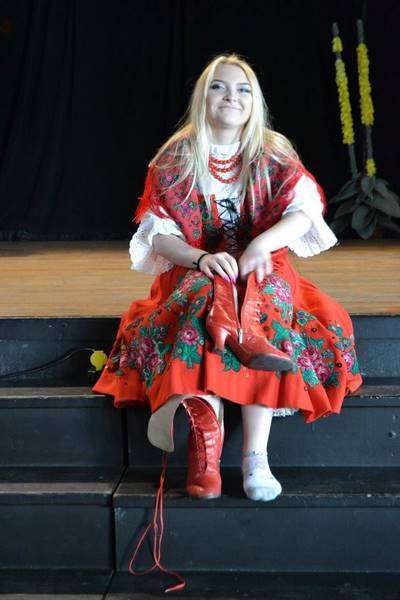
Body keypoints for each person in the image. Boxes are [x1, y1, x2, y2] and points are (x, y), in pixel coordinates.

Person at [92, 53, 362, 505]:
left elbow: (304, 212)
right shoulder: (176, 157)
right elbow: (160, 235)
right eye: (219, 86)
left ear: (255, 102)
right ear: (203, 97)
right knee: (205, 304)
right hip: (197, 265)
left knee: (263, 303)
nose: (231, 96)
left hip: (264, 265)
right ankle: (207, 455)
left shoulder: (273, 152)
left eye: (243, 89)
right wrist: (201, 258)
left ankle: (256, 456)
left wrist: (260, 246)